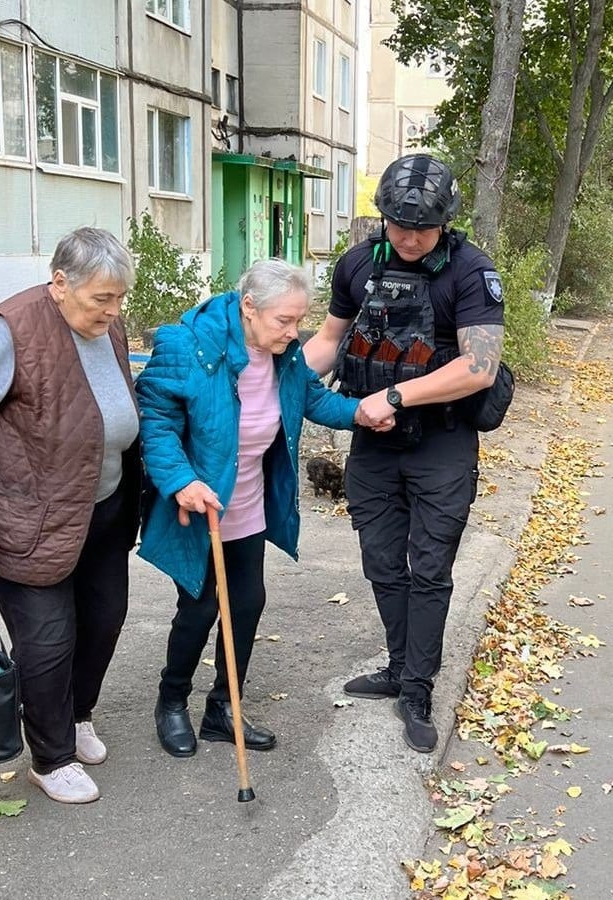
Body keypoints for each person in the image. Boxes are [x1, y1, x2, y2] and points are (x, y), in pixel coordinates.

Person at [0, 227, 141, 805]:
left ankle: (75, 717)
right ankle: (51, 757)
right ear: (59, 283)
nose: (113, 311)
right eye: (102, 299)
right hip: (24, 515)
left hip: (101, 509)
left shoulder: (105, 323)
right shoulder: (11, 330)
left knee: (104, 619)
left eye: (120, 298)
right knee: (46, 641)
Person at [137, 258, 391, 759]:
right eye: (285, 321)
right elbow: (156, 420)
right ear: (249, 307)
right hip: (198, 506)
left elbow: (310, 399)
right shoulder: (187, 344)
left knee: (248, 604)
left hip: (248, 503)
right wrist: (180, 480)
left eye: (300, 321)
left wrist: (360, 412)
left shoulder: (284, 354)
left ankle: (223, 708)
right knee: (201, 606)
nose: (295, 332)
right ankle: (171, 703)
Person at [303, 154, 506, 753]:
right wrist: (269, 378)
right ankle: (398, 665)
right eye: (397, 224)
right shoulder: (358, 264)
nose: (410, 237)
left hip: (442, 441)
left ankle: (418, 686)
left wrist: (394, 394)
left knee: (431, 569)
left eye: (422, 227)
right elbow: (328, 340)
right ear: (382, 216)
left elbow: (479, 367)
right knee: (382, 562)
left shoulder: (470, 271)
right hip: (376, 440)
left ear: (445, 220)